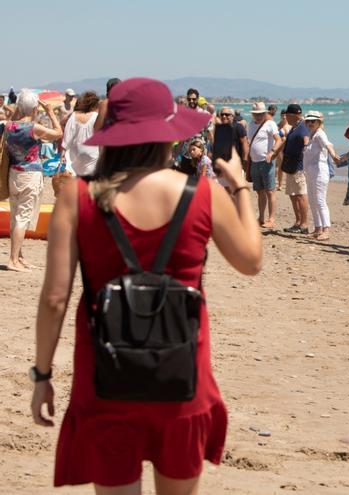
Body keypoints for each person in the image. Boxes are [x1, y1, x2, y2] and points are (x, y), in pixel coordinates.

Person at [29, 77, 262, 493]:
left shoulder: (78, 197)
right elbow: (250, 261)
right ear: (167, 134)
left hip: (106, 375)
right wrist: (241, 186)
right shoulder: (203, 194)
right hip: (182, 373)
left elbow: (54, 299)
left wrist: (42, 374)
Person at [4, 91, 63, 272]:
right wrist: (51, 112)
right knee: (23, 218)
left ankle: (18, 257)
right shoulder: (34, 128)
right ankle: (14, 259)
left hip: (14, 173)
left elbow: (15, 118)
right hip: (30, 175)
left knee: (16, 215)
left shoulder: (9, 126)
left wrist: (21, 108)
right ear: (34, 108)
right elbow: (58, 133)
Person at [302, 110, 339, 240]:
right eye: (308, 121)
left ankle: (326, 230)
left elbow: (328, 144)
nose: (311, 123)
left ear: (319, 122)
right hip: (311, 172)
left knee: (320, 200)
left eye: (314, 121)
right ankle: (317, 228)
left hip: (320, 172)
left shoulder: (319, 134)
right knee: (312, 201)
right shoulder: (312, 134)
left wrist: (334, 155)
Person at [247, 102, 282, 228]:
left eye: (261, 114)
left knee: (270, 191)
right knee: (260, 191)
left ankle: (271, 219)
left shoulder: (270, 124)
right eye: (256, 114)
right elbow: (249, 142)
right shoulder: (250, 125)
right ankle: (261, 217)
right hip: (254, 162)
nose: (258, 116)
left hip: (266, 162)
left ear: (265, 113)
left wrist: (272, 152)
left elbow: (279, 140)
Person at [279, 104, 311, 234]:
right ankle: (298, 222)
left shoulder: (302, 127)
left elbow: (306, 142)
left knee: (300, 195)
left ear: (294, 115)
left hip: (299, 167)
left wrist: (305, 157)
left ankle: (304, 224)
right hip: (290, 166)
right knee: (293, 195)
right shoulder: (294, 127)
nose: (286, 117)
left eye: (287, 115)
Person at [60, 90, 100, 177]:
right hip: (92, 154)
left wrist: (62, 155)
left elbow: (67, 138)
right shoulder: (96, 116)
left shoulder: (74, 116)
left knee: (75, 183)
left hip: (75, 154)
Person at [212, 107, 249, 191]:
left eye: (227, 114)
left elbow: (244, 143)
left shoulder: (238, 127)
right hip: (224, 164)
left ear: (232, 116)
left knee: (236, 189)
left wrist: (245, 160)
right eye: (222, 114)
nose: (224, 116)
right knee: (225, 189)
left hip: (235, 164)